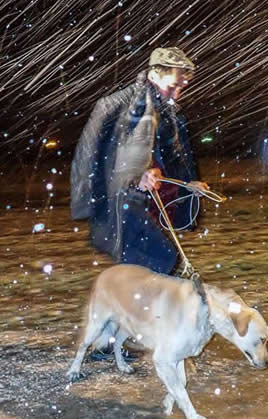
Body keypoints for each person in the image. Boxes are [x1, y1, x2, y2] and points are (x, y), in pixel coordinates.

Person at [71, 47, 208, 359]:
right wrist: (136, 175)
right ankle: (119, 338)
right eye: (174, 84)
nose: (178, 91)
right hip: (123, 200)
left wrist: (189, 185)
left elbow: (171, 156)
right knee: (157, 260)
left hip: (145, 200)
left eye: (182, 86)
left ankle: (117, 338)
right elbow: (111, 154)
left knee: (142, 268)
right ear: (155, 73)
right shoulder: (130, 105)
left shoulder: (165, 112)